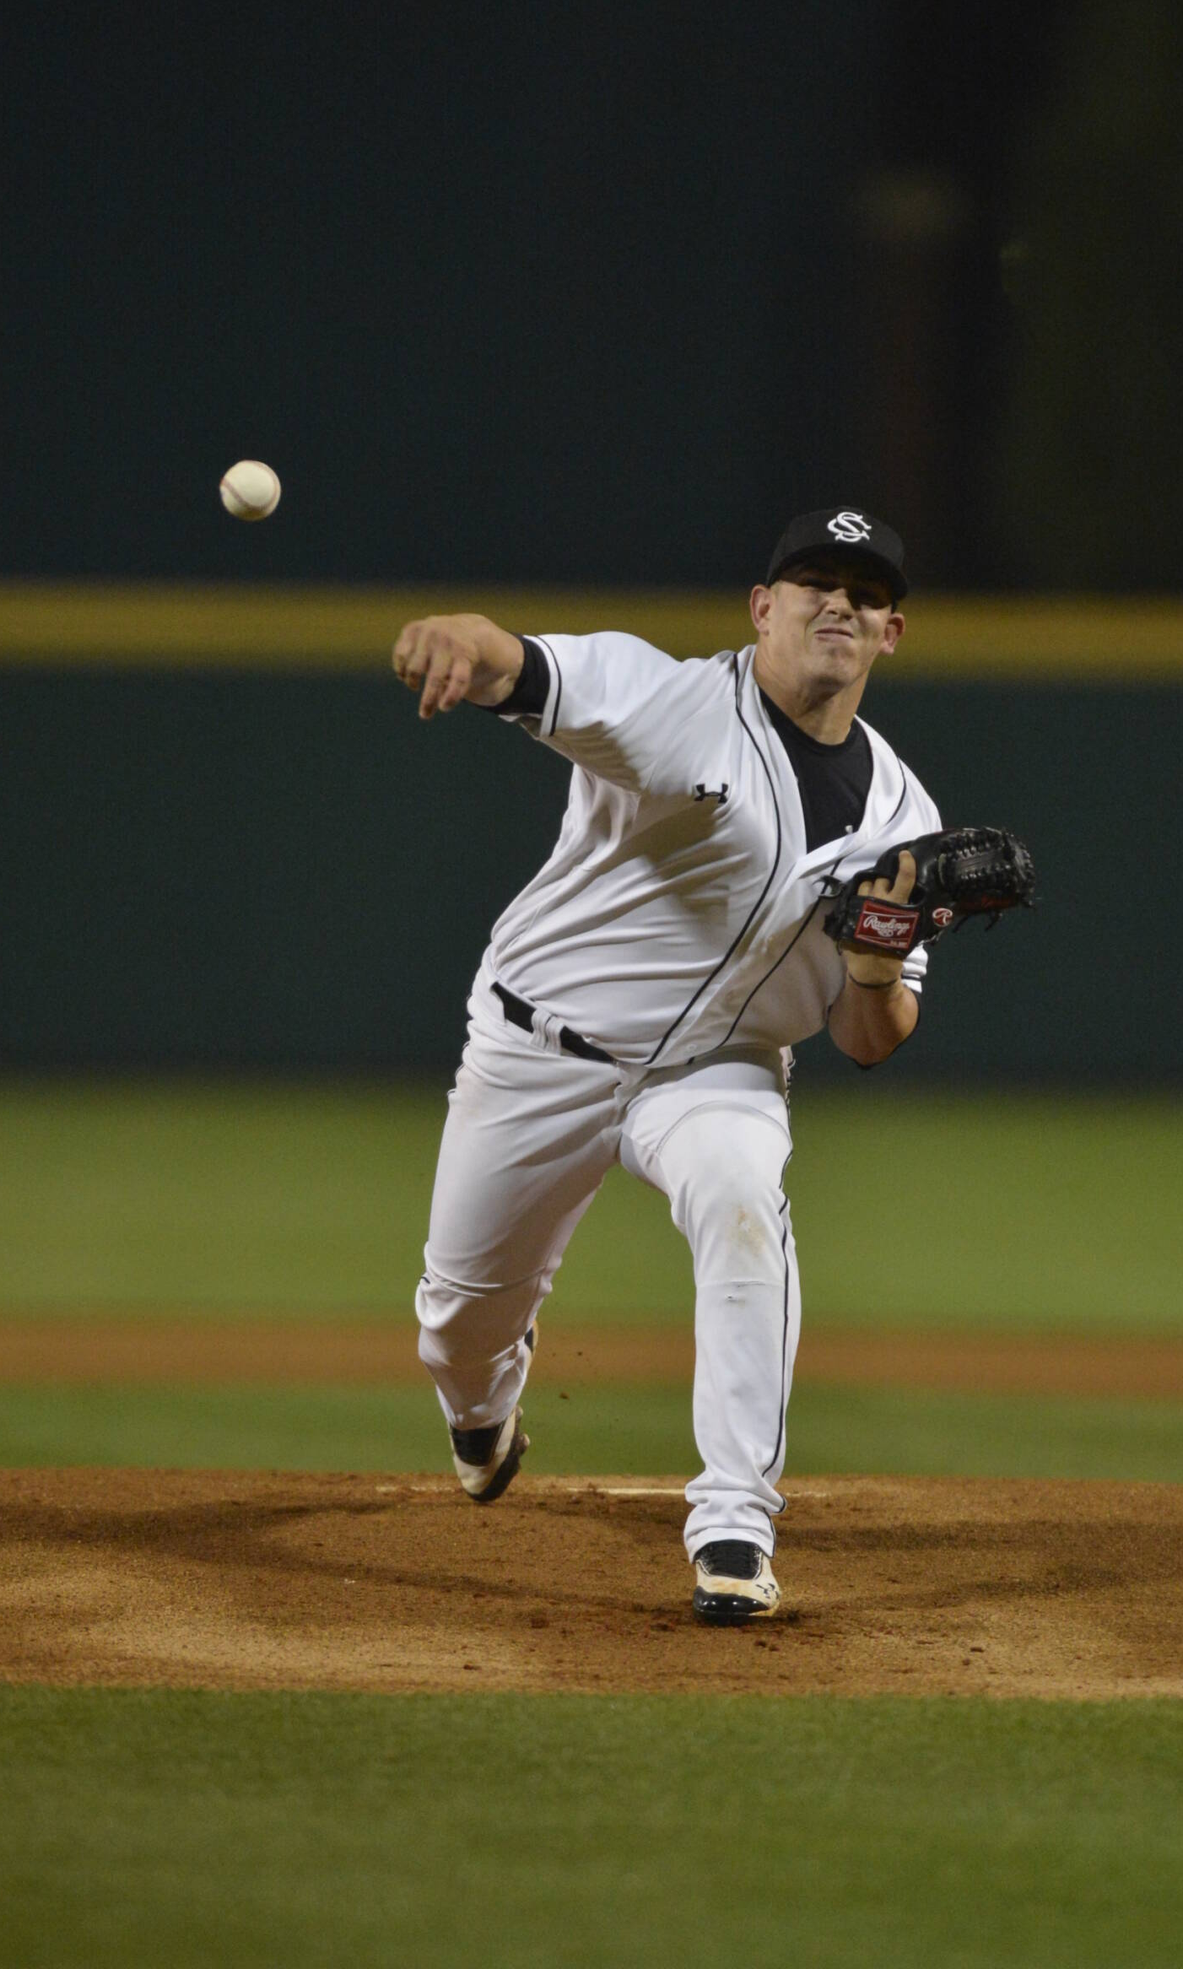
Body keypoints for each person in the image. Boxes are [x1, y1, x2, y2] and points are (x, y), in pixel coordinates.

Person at [391, 508, 940, 1624]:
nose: (839, 603)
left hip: (715, 1068)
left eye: (866, 592)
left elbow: (867, 1041)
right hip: (539, 1049)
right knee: (456, 1323)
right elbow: (529, 668)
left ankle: (735, 1520)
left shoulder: (904, 818)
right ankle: (484, 1401)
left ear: (891, 634)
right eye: (814, 582)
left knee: (745, 1200)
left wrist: (878, 972)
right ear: (763, 606)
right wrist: (466, 635)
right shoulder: (673, 700)